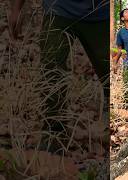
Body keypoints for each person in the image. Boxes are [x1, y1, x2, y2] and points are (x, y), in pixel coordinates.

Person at [9, 0, 109, 154]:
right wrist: (16, 9)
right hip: (58, 10)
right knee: (51, 71)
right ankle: (54, 136)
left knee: (108, 74)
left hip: (100, 13)